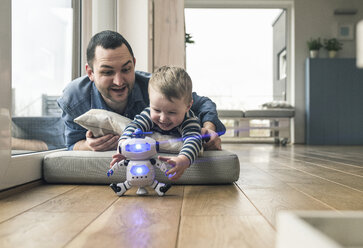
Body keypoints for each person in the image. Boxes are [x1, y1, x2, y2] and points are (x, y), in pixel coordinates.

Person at [57, 30, 225, 151]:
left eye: (126, 69)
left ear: (134, 64)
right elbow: (71, 144)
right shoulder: (73, 98)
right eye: (107, 72)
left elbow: (203, 103)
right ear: (90, 73)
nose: (119, 81)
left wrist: (208, 127)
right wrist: (87, 146)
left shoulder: (154, 87)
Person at [111, 66, 202, 181]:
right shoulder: (149, 114)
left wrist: (183, 159)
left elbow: (193, 140)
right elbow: (134, 127)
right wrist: (123, 145)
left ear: (187, 106)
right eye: (157, 110)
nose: (163, 118)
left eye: (172, 112)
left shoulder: (189, 121)